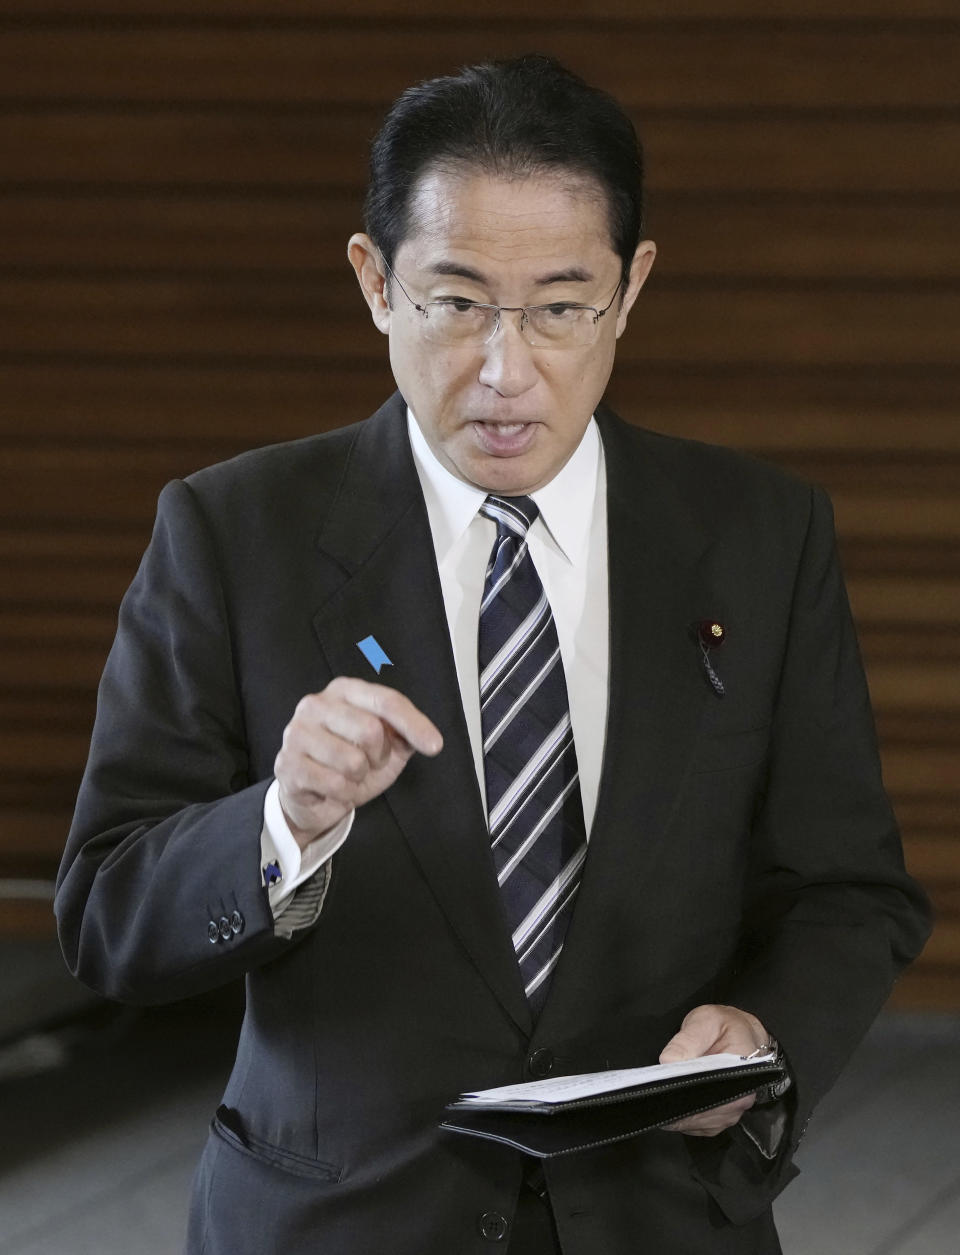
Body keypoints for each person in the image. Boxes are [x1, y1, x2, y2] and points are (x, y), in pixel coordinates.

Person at [56, 55, 930, 1255]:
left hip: (659, 1217)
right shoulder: (232, 531)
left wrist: (767, 1036)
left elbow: (852, 886)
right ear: (374, 281)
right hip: (338, 1220)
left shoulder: (759, 534)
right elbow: (107, 912)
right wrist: (283, 818)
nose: (506, 370)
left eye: (561, 307)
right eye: (457, 301)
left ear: (631, 290)